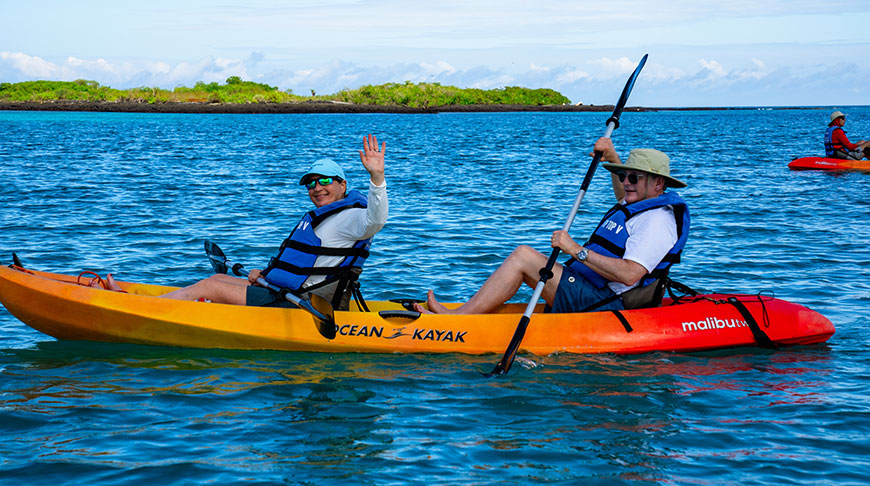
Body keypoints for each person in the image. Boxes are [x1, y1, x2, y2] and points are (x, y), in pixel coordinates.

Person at [416, 137, 689, 315]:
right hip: (589, 288)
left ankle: (456, 321)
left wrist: (576, 250)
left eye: (634, 177)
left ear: (658, 184)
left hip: (604, 303)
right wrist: (612, 158)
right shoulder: (638, 203)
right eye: (624, 175)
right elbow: (623, 196)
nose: (626, 182)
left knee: (525, 257)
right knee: (508, 307)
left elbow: (631, 274)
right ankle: (467, 313)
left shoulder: (658, 221)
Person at [134, 134, 388, 307]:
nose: (316, 188)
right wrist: (265, 275)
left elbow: (375, 220)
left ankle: (144, 308)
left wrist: (377, 178)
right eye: (311, 183)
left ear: (343, 185)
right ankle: (155, 301)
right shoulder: (325, 216)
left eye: (324, 181)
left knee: (210, 286)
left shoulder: (353, 217)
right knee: (218, 280)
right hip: (287, 292)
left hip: (304, 304)